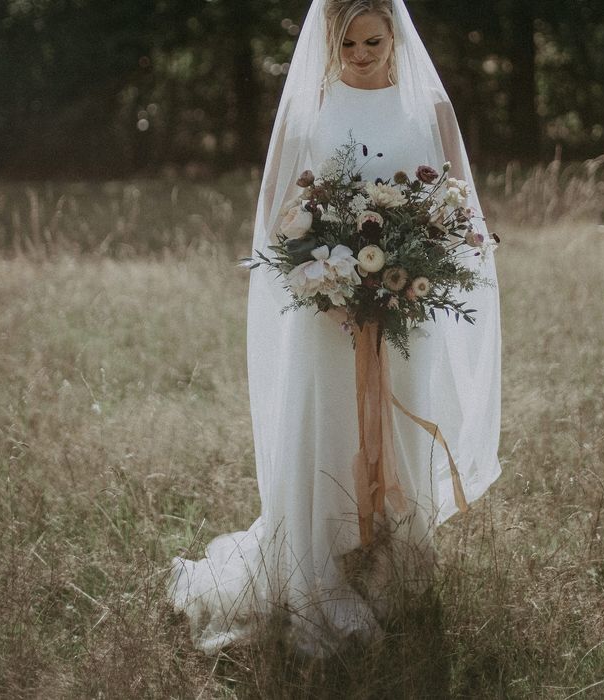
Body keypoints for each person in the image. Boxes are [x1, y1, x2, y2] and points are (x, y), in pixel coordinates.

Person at [167, 0, 501, 657]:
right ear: (330, 42)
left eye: (373, 40)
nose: (362, 54)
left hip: (409, 305)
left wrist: (421, 261)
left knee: (400, 428)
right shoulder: (310, 110)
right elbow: (277, 217)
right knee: (331, 426)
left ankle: (389, 563)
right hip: (329, 314)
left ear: (395, 36)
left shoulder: (428, 110)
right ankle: (324, 562)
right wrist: (325, 283)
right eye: (348, 44)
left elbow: (460, 204)